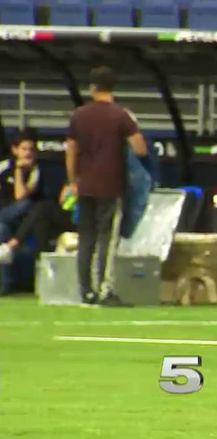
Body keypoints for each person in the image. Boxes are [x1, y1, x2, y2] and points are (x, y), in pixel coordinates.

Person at [65, 65, 149, 306]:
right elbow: (140, 148)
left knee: (86, 239)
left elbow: (71, 151)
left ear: (92, 88)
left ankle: (86, 291)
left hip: (85, 186)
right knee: (107, 240)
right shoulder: (121, 116)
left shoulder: (78, 115)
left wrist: (73, 181)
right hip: (111, 186)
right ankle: (105, 290)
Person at [0, 184, 77, 264]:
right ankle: (44, 262)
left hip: (84, 220)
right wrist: (69, 191)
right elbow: (62, 201)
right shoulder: (73, 180)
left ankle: (12, 245)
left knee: (42, 208)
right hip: (70, 215)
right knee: (41, 223)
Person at [0, 130, 43, 243]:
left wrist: (19, 170)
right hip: (3, 210)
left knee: (25, 204)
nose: (28, 153)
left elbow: (20, 196)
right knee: (2, 229)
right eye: (24, 149)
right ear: (15, 150)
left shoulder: (36, 171)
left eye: (31, 149)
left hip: (20, 215)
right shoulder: (4, 166)